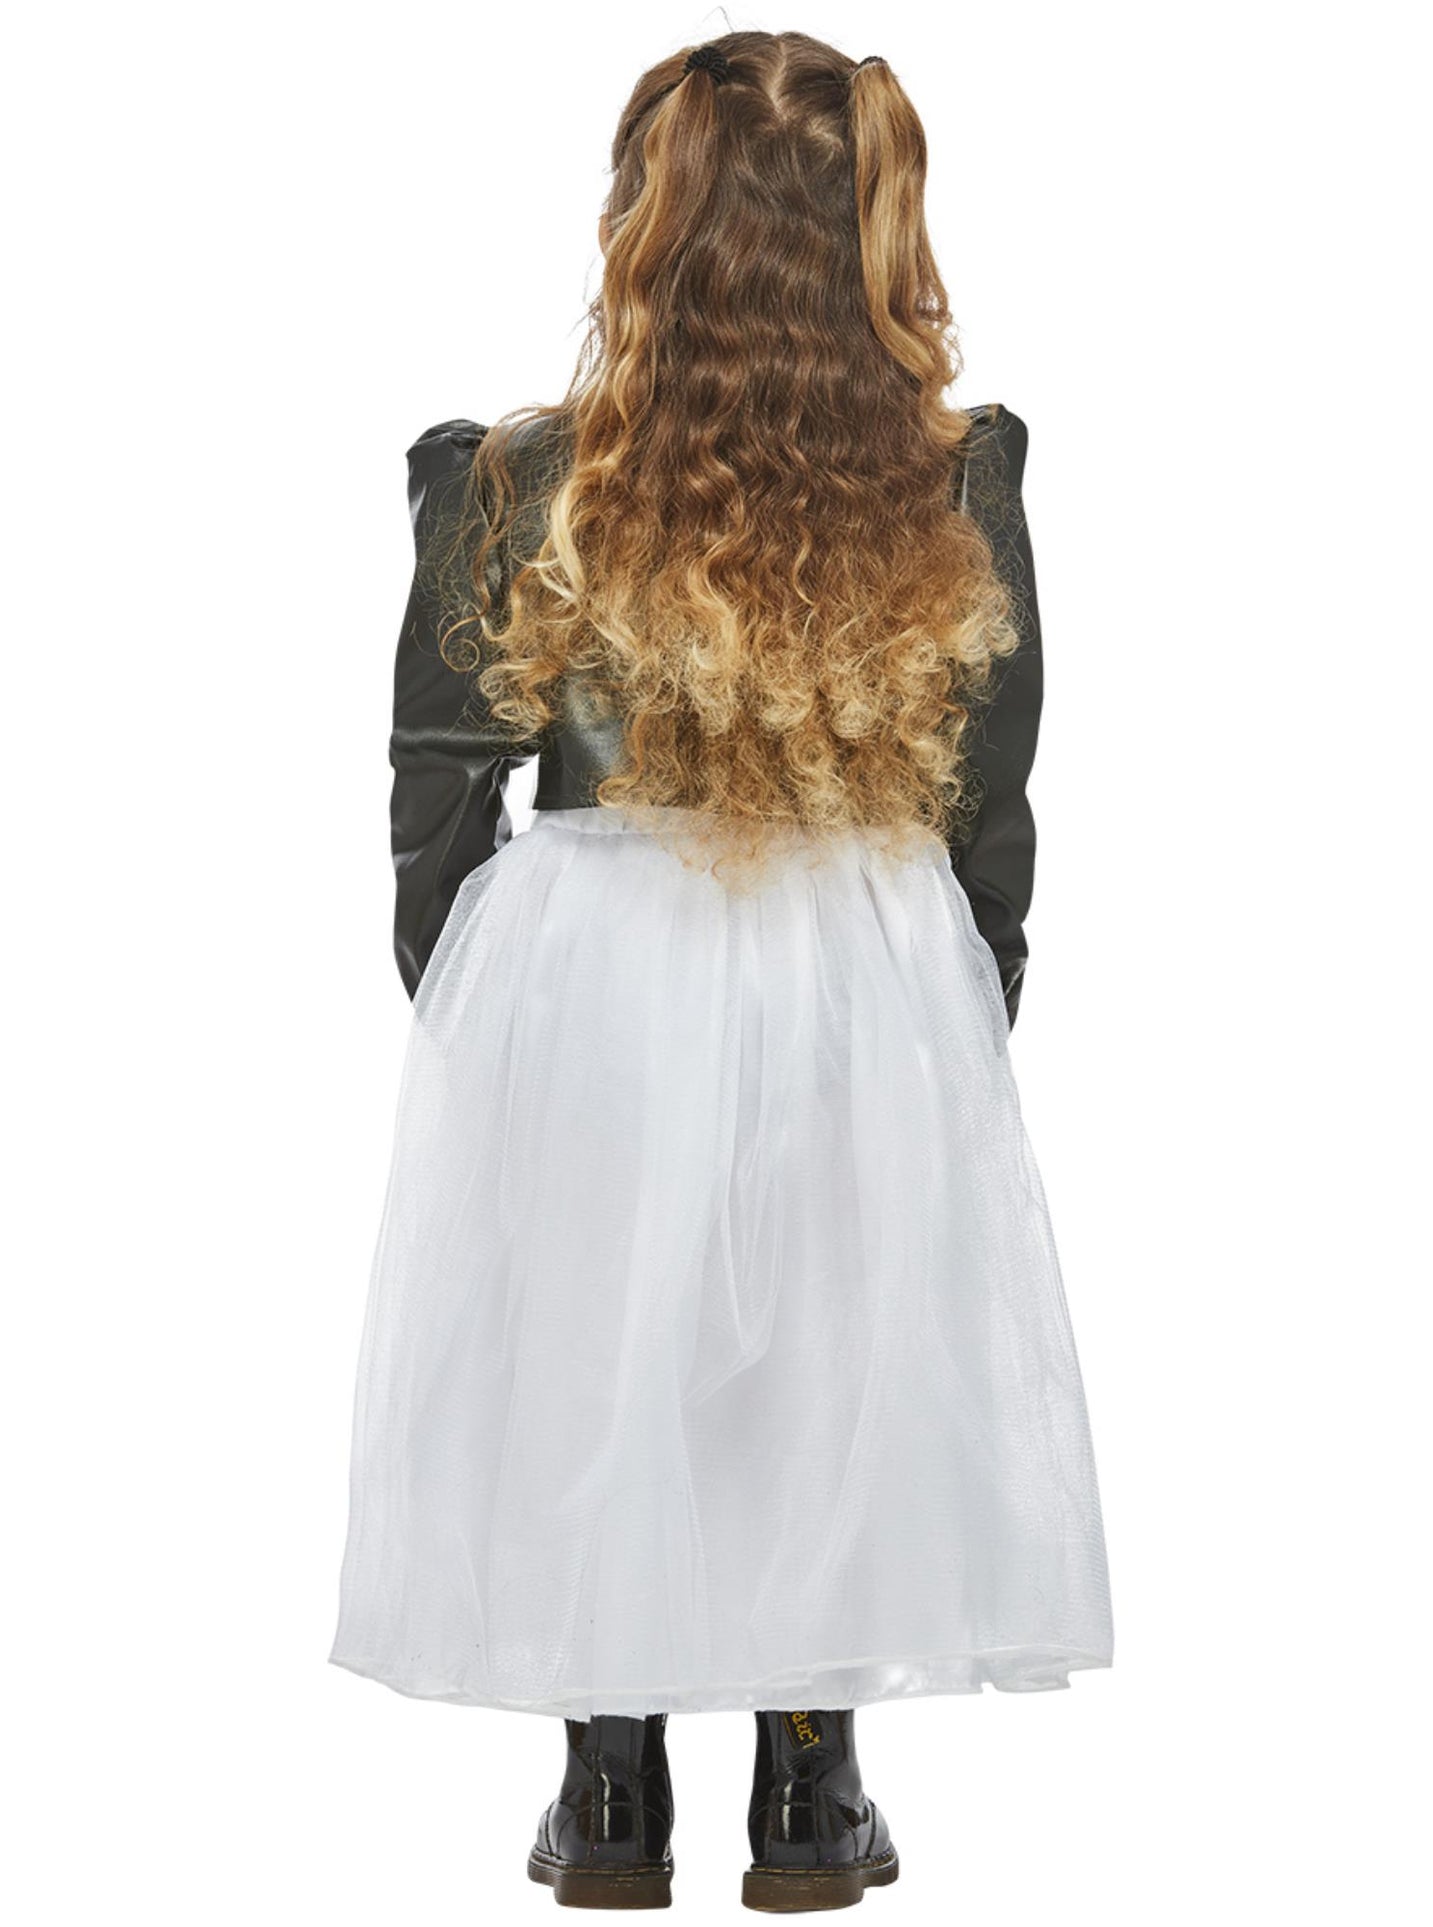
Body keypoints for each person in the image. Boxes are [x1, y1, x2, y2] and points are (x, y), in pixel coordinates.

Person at [328, 31, 1113, 1912]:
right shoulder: (952, 480)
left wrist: (480, 1017)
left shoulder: (517, 481)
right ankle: (809, 1784)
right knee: (828, 1348)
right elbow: (988, 792)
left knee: (598, 1340)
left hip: (594, 960)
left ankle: (609, 1787)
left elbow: (437, 786)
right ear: (874, 229)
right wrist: (962, 1007)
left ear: (641, 217)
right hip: (860, 952)